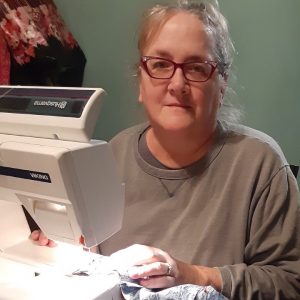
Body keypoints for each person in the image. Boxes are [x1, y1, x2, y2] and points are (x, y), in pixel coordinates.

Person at [31, 0, 300, 299]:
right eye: (160, 64)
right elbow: (94, 250)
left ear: (221, 86)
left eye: (197, 67)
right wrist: (67, 243)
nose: (177, 83)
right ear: (141, 84)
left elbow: (289, 283)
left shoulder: (260, 165)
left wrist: (192, 275)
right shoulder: (112, 154)